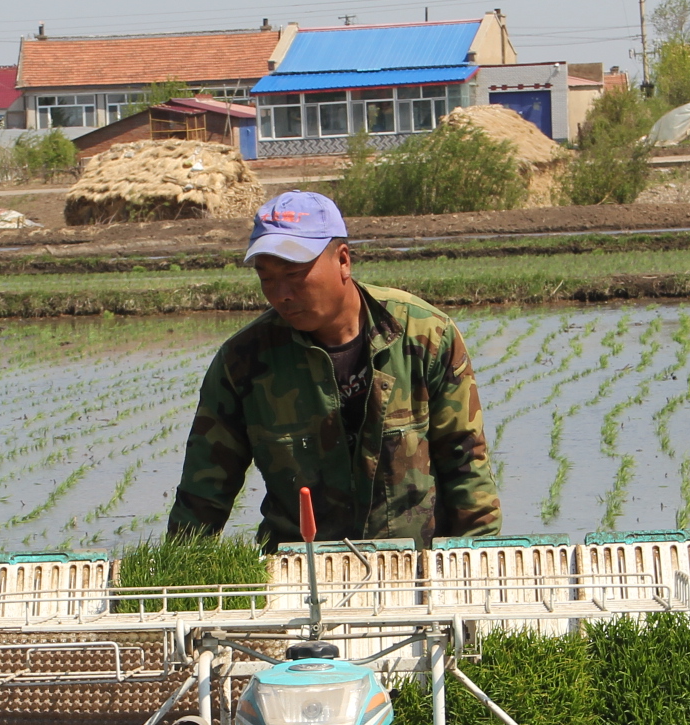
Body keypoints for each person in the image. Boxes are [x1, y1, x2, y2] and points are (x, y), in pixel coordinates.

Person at [166, 190, 499, 550]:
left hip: (412, 567)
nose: (281, 294)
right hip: (298, 568)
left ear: (343, 261)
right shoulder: (242, 361)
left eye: (295, 274)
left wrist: (473, 571)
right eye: (267, 277)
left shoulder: (425, 335)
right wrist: (177, 583)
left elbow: (466, 464)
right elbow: (203, 493)